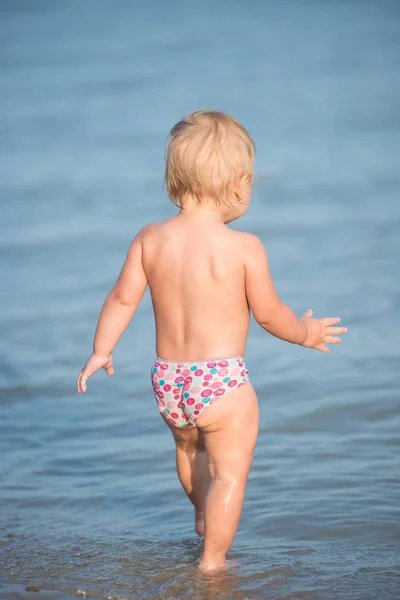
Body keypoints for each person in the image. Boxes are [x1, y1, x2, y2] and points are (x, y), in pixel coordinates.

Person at [77, 109, 347, 573]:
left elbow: (122, 299)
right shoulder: (244, 247)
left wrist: (102, 350)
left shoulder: (150, 238)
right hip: (220, 380)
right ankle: (213, 563)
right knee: (230, 475)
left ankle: (200, 513)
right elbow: (270, 315)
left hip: (168, 380)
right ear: (241, 183)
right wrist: (308, 333)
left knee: (189, 450)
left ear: (173, 177)